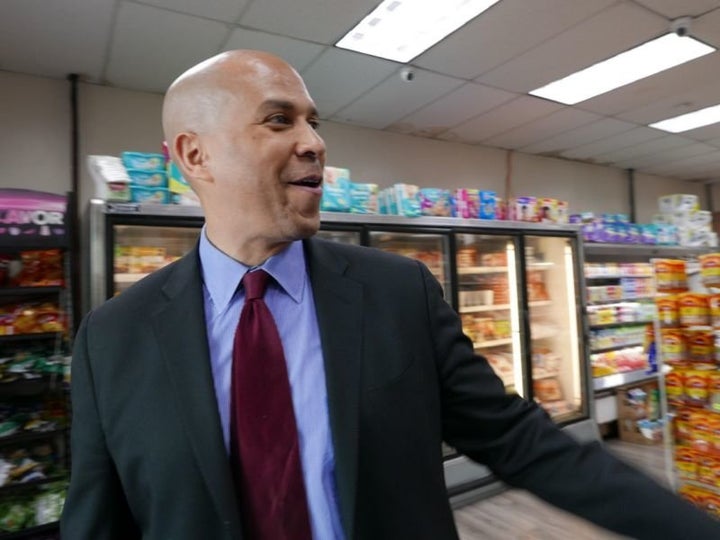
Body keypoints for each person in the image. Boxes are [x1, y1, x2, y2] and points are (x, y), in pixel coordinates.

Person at [60, 50, 720, 540]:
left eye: (314, 122)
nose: (315, 143)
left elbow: (525, 445)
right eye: (278, 120)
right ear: (194, 156)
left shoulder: (396, 293)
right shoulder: (113, 339)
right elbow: (97, 522)